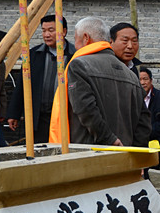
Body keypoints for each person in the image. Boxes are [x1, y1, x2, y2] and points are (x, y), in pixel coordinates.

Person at [49, 17, 150, 146]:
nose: (75, 45)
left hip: (89, 153)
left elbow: (85, 109)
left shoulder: (79, 66)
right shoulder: (131, 75)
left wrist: (109, 139)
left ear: (86, 38)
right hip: (124, 156)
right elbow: (144, 121)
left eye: (75, 39)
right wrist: (138, 156)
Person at [7, 15, 76, 143]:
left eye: (51, 30)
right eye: (44, 31)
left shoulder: (75, 55)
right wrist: (13, 113)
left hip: (65, 117)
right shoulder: (33, 55)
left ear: (64, 31)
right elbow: (22, 85)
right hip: (39, 116)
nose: (46, 35)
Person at [139, 67, 160, 153]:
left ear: (151, 80)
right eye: (139, 80)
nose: (142, 83)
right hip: (138, 137)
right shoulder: (133, 98)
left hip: (159, 137)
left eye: (145, 79)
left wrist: (146, 133)